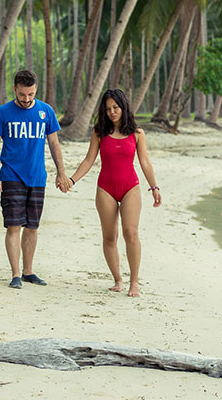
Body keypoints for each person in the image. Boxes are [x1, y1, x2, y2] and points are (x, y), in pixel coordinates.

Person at [67, 88, 162, 297]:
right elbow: (89, 160)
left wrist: (154, 187)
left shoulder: (137, 133)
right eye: (108, 108)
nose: (112, 112)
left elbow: (144, 161)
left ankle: (134, 282)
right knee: (110, 236)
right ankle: (118, 279)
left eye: (115, 107)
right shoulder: (99, 132)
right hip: (106, 189)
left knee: (131, 232)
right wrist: (72, 179)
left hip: (130, 187)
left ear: (123, 107)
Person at [0, 70, 71, 289]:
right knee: (14, 226)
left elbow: (54, 144)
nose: (26, 99)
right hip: (11, 176)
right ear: (14, 89)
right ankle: (15, 274)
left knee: (32, 227)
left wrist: (61, 172)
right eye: (23, 94)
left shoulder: (46, 111)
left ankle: (28, 271)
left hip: (37, 178)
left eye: (31, 94)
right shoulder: (2, 112)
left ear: (36, 90)